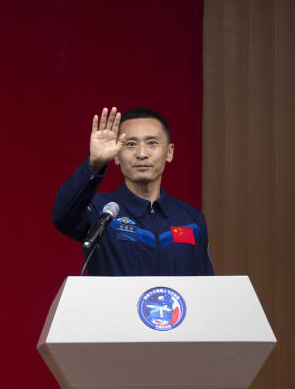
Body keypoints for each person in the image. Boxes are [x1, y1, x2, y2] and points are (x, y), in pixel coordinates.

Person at [52, 106, 213, 275]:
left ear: (169, 152)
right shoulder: (101, 211)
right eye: (130, 144)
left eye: (152, 143)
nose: (142, 153)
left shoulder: (191, 220)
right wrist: (95, 163)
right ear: (116, 154)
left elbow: (205, 288)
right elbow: (62, 215)